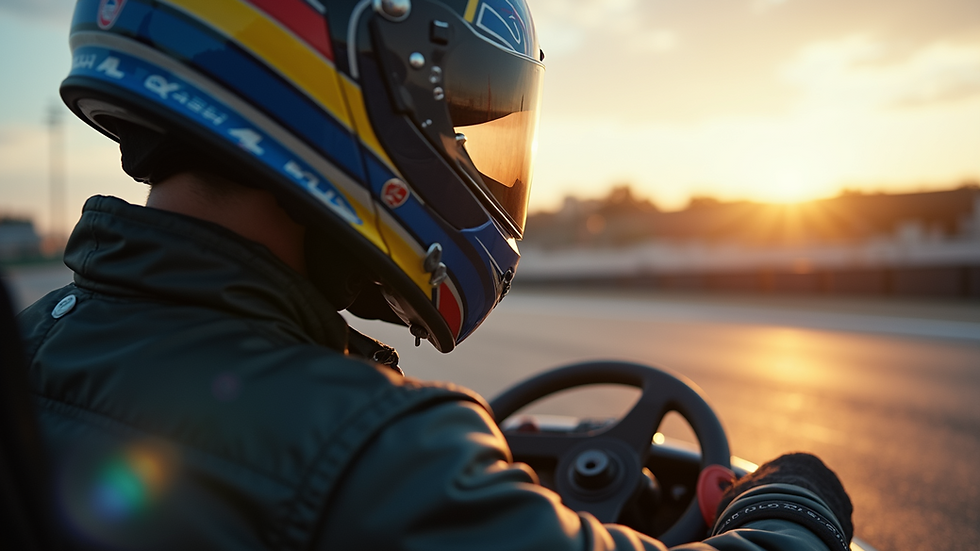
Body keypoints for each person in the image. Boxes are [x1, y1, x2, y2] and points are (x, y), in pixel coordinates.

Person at [18, 0, 853, 549]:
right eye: (456, 113)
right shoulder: (377, 452)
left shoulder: (35, 339)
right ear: (352, 78)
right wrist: (791, 513)